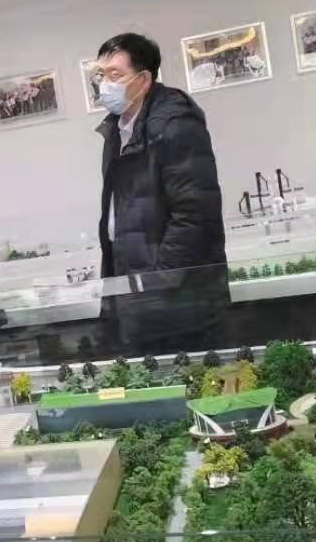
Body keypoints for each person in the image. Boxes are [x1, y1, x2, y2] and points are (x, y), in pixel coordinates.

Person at [94, 32, 228, 352]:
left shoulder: (174, 125)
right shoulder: (117, 130)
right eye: (101, 75)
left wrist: (157, 283)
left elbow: (194, 214)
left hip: (177, 300)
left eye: (115, 75)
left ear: (143, 80)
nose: (104, 84)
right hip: (137, 289)